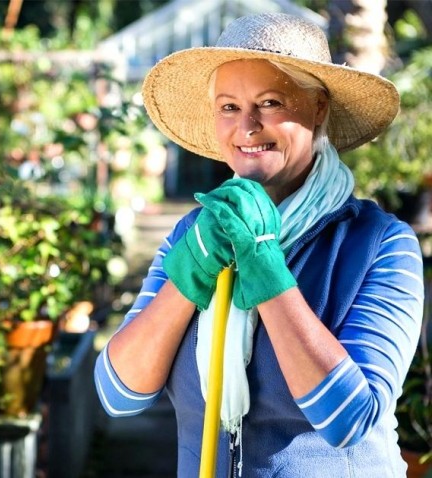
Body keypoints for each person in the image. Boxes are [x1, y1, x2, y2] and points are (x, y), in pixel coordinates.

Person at [93, 12, 425, 478]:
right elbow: (118, 393)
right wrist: (187, 281)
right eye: (228, 107)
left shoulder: (381, 244)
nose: (246, 126)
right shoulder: (196, 233)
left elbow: (349, 418)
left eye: (270, 103)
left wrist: (267, 270)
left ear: (319, 109)